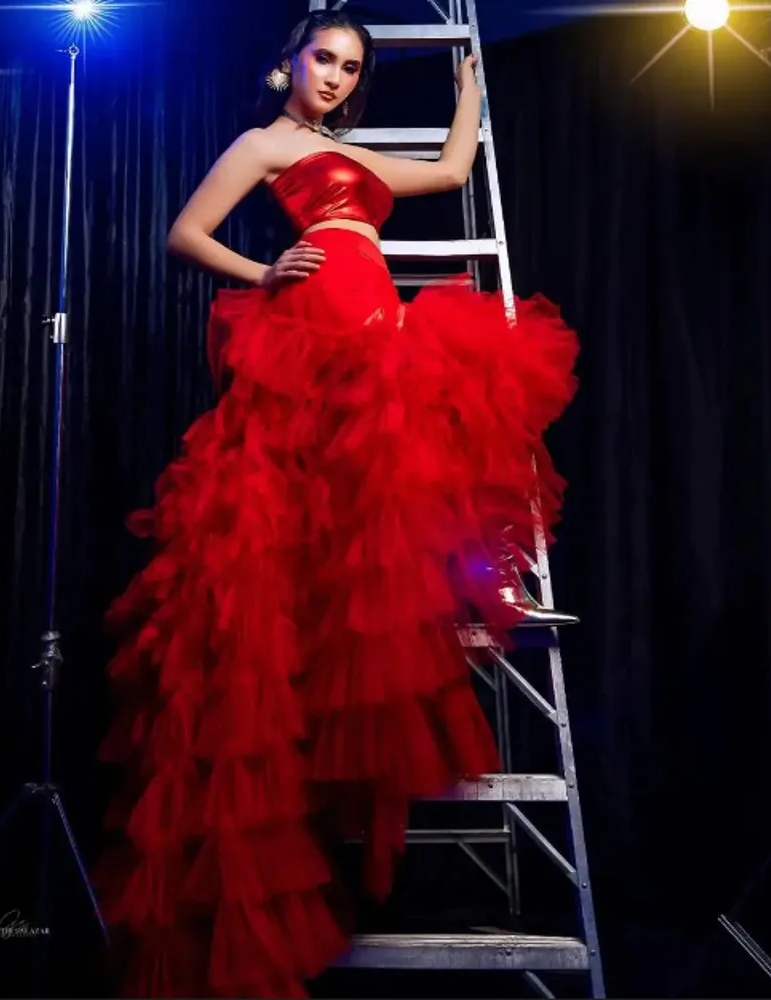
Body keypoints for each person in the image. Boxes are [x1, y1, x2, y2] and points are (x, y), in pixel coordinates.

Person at [95, 10, 579, 998]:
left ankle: (471, 600)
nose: (336, 75)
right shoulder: (263, 146)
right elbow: (183, 233)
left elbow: (447, 174)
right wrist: (265, 269)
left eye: (352, 67)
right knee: (284, 531)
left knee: (397, 494)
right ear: (289, 63)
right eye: (325, 58)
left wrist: (471, 93)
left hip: (376, 335)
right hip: (307, 332)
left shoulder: (350, 156)